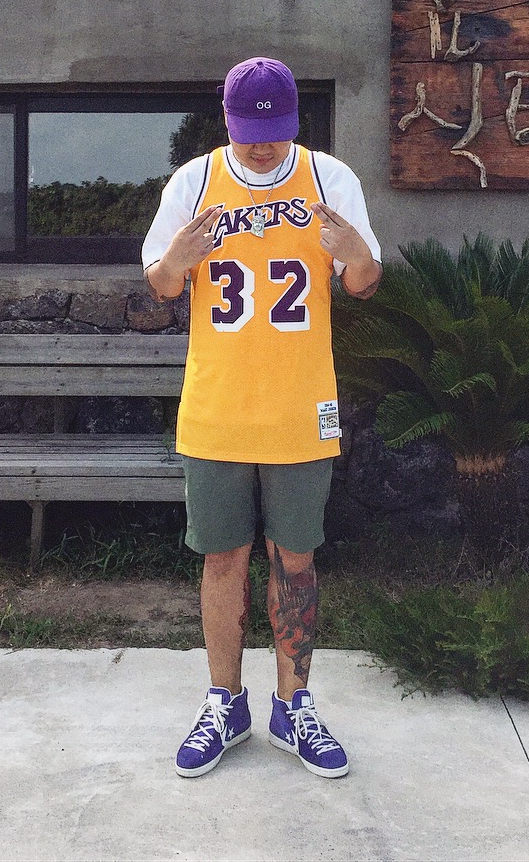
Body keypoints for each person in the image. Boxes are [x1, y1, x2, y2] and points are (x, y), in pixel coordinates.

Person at [142, 57, 382, 779]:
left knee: (295, 558)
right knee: (222, 558)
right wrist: (178, 259)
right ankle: (225, 702)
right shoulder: (194, 183)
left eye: (274, 132)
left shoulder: (328, 179)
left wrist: (355, 253)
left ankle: (293, 706)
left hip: (301, 407)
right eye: (249, 133)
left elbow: (365, 282)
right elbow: (160, 283)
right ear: (228, 124)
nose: (261, 146)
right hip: (216, 406)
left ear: (294, 124)